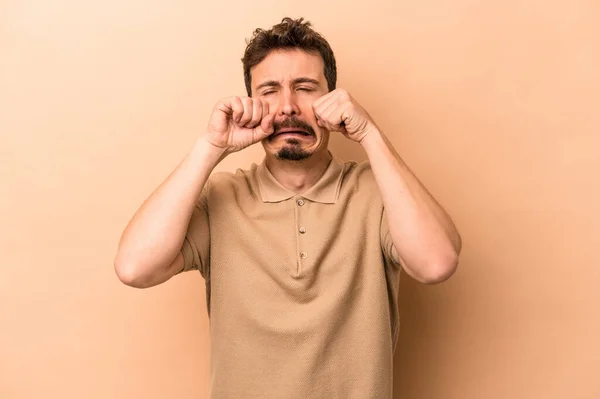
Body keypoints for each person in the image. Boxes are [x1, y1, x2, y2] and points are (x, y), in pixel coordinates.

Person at [114, 17, 461, 399]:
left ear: (334, 98)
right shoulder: (222, 197)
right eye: (270, 91)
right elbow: (134, 268)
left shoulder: (377, 192)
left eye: (305, 88)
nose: (288, 107)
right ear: (251, 102)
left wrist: (369, 133)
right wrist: (211, 146)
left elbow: (437, 263)